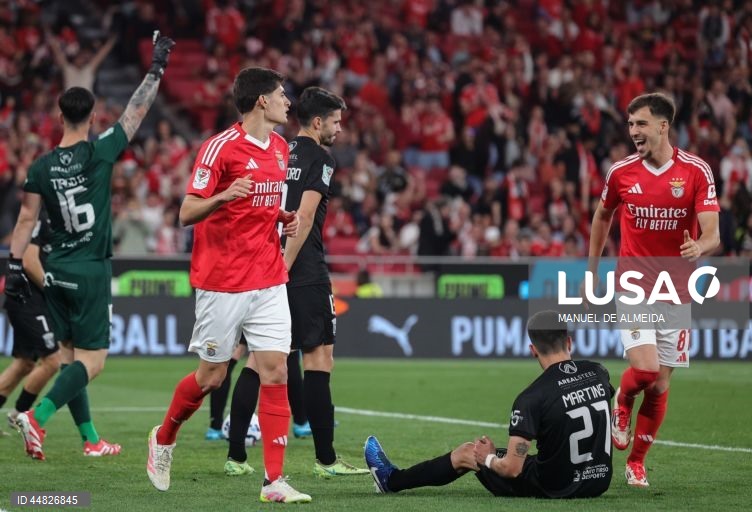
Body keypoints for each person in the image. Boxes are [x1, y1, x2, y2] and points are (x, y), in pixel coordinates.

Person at [5, 33, 175, 461]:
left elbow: (26, 220)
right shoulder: (101, 152)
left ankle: (91, 440)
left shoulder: (40, 167)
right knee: (93, 362)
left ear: (59, 116)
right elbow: (137, 111)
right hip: (90, 269)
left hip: (55, 269)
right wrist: (156, 67)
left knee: (67, 359)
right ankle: (38, 417)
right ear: (93, 115)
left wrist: (12, 266)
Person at [146, 67, 311, 504]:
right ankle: (163, 438)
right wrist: (223, 196)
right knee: (212, 377)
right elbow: (186, 212)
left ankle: (273, 481)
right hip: (222, 282)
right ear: (261, 101)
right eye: (280, 94)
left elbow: (266, 203)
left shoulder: (280, 148)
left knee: (276, 369)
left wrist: (283, 217)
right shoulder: (219, 149)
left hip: (269, 275)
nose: (287, 102)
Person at [225, 86, 367, 479]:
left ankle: (236, 455)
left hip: (264, 266)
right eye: (336, 122)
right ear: (318, 122)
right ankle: (326, 461)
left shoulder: (278, 150)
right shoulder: (321, 158)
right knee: (319, 360)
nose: (339, 130)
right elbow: (302, 218)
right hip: (300, 272)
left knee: (258, 362)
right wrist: (284, 267)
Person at [587, 92, 720, 487]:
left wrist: (701, 245)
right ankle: (622, 401)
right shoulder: (621, 172)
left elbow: (711, 231)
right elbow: (602, 215)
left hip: (676, 292)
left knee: (661, 385)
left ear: (664, 126)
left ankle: (637, 463)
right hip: (633, 285)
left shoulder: (696, 171)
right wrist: (592, 270)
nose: (633, 132)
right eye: (630, 125)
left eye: (641, 124)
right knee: (644, 372)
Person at [364, 310, 613, 499]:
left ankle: (391, 480)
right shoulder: (598, 372)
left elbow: (513, 469)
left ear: (532, 350)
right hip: (598, 482)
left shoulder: (531, 398)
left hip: (556, 486)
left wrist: (490, 458)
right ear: (568, 342)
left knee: (468, 452)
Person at [1, 210, 61, 434]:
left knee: (25, 363)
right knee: (52, 360)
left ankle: (19, 415)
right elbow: (29, 260)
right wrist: (52, 290)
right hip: (28, 300)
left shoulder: (62, 220)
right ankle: (20, 416)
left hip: (31, 302)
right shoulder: (41, 217)